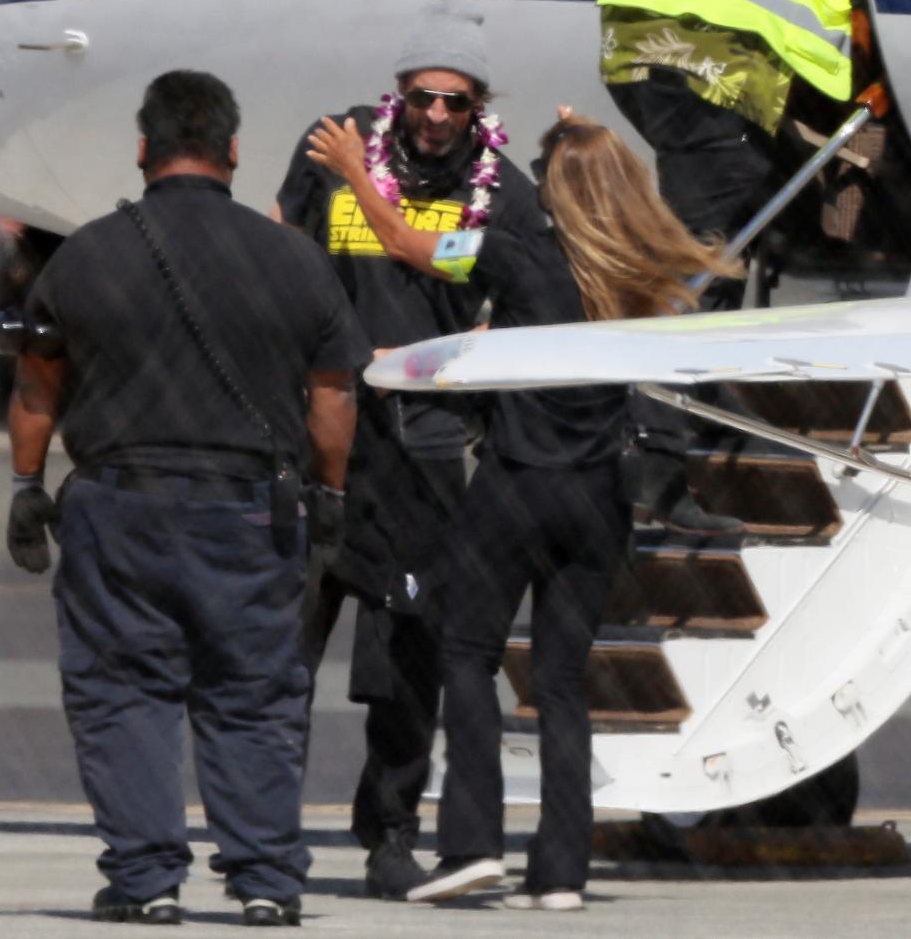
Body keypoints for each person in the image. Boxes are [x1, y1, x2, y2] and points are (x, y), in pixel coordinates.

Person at [311, 108, 741, 908]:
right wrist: (589, 133)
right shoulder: (644, 272)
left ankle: (472, 845)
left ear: (558, 195)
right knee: (562, 684)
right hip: (598, 497)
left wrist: (354, 173)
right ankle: (561, 872)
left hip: (515, 486)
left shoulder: (513, 254)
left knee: (466, 656)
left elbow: (408, 244)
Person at [4, 70, 364, 928]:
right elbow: (332, 399)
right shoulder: (292, 257)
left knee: (123, 692)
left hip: (117, 508)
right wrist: (332, 494)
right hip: (248, 509)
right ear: (235, 153)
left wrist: (25, 485)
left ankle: (146, 879)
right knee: (254, 693)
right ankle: (268, 882)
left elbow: (36, 388)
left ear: (143, 150)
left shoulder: (86, 254)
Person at [274, 5, 545, 900]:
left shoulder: (502, 193)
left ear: (478, 109)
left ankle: (389, 832)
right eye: (423, 96)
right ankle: (264, 830)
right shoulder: (334, 150)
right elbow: (283, 241)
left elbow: (457, 272)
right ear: (401, 94)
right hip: (320, 432)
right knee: (282, 653)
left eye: (456, 103)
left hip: (423, 448)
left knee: (408, 665)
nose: (436, 115)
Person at [596, 0, 854, 533]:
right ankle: (656, 456)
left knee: (735, 228)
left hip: (689, 54)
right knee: (696, 263)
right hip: (697, 56)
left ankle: (704, 394)